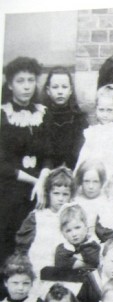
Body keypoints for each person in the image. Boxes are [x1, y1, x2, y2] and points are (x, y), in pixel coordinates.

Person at [0, 57, 52, 265]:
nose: (27, 86)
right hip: (10, 187)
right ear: (10, 85)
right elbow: (3, 164)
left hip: (39, 188)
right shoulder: (3, 115)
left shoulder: (42, 114)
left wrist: (42, 181)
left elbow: (50, 154)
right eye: (20, 81)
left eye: (31, 80)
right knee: (9, 239)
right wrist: (34, 181)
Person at [16, 166, 75, 274]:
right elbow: (22, 249)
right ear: (48, 193)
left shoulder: (74, 219)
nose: (60, 199)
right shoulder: (37, 217)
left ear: (71, 196)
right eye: (56, 193)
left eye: (65, 194)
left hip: (62, 273)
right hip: (37, 270)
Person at [75, 84, 113, 178]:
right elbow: (84, 155)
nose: (105, 114)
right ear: (96, 109)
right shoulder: (91, 132)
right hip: (95, 171)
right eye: (101, 110)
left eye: (109, 110)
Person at [42, 66, 88, 170]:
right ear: (48, 90)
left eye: (64, 87)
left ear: (71, 90)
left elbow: (80, 152)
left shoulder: (79, 119)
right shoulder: (41, 117)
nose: (60, 91)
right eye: (55, 87)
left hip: (72, 170)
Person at [54, 203, 100, 270]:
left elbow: (92, 263)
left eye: (77, 228)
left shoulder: (93, 245)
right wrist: (80, 262)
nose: (74, 234)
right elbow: (60, 265)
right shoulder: (62, 248)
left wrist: (73, 260)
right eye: (68, 231)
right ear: (63, 233)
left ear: (85, 226)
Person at [73, 159, 108, 236]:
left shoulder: (106, 202)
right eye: (86, 181)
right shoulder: (75, 200)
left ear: (101, 182)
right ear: (81, 181)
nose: (90, 186)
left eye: (95, 181)